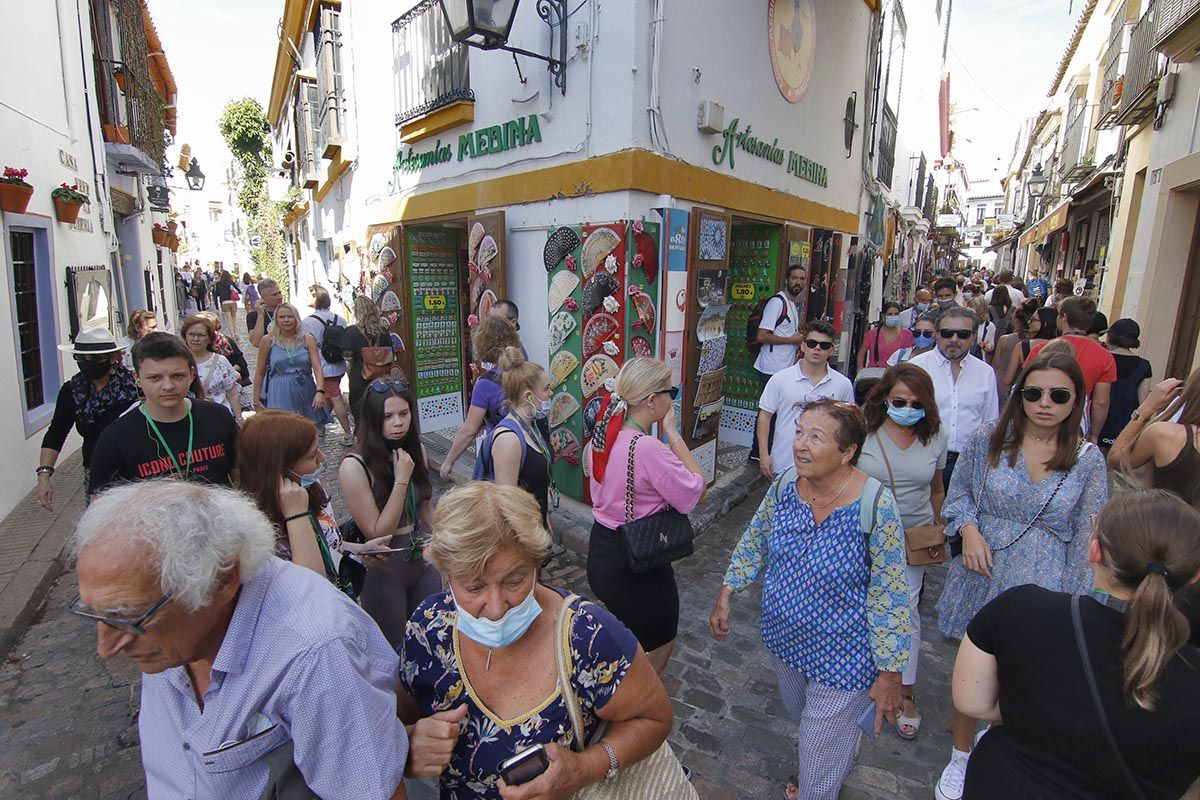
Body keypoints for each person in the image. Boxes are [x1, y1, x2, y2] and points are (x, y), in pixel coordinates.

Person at [68, 481, 411, 799]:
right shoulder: (163, 626)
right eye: (96, 614)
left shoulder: (314, 652)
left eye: (129, 615)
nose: (106, 647)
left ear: (221, 581)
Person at [397, 482, 677, 800]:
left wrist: (585, 768)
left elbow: (655, 717)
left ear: (535, 563)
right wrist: (407, 744)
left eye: (513, 581)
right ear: (446, 574)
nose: (495, 607)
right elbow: (398, 716)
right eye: (473, 588)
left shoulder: (589, 638)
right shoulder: (428, 631)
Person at [710, 399, 912, 800]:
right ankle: (830, 755)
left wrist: (890, 673)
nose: (800, 444)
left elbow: (891, 592)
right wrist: (727, 591)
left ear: (847, 451)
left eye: (815, 437)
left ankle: (819, 781)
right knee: (806, 721)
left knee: (818, 749)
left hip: (846, 656)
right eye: (799, 431)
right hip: (786, 643)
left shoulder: (876, 505)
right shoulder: (786, 485)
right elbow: (755, 539)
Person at [933, 352, 1109, 800]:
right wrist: (968, 530)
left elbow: (1090, 536)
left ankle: (995, 745)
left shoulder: (1087, 461)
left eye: (1058, 395)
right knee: (972, 669)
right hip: (983, 569)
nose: (1044, 403)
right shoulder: (987, 439)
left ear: (1076, 401)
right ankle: (959, 754)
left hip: (1045, 577)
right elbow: (958, 498)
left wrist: (1077, 604)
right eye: (1033, 392)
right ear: (1020, 395)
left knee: (1021, 674)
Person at [951, 489, 1200, 799]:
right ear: (1193, 576)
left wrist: (1036, 706)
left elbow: (972, 702)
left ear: (1094, 551)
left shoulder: (1021, 608)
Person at [587, 357, 706, 675]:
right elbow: (695, 491)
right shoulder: (648, 448)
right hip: (636, 561)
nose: (673, 399)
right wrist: (673, 434)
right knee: (659, 642)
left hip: (602, 549)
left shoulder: (603, 437)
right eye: (672, 392)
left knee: (628, 640)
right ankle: (638, 707)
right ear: (652, 400)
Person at [857, 364, 947, 741]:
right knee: (859, 603)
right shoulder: (863, 431)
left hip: (912, 539)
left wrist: (938, 527)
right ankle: (861, 675)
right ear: (883, 399)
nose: (908, 408)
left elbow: (937, 487)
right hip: (862, 532)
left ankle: (904, 687)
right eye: (899, 401)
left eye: (916, 403)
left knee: (904, 612)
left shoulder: (936, 436)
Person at [340, 380, 442, 647]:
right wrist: (401, 480)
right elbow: (378, 532)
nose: (398, 423)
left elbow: (425, 506)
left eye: (404, 414)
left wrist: (447, 544)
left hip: (422, 557)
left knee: (432, 641)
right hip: (385, 568)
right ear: (374, 419)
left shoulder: (416, 450)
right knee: (394, 650)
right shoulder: (355, 466)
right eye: (388, 416)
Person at [88, 333, 239, 494]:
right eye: (155, 378)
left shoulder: (219, 417)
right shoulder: (115, 438)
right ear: (137, 378)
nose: (168, 386)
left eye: (177, 376)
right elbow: (100, 506)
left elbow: (241, 480)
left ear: (192, 374)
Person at [36, 328, 139, 509]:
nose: (88, 363)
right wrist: (44, 475)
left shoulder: (134, 388)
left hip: (135, 467)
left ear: (113, 357)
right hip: (97, 470)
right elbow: (56, 433)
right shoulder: (72, 391)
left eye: (96, 358)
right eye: (82, 358)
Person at [910, 306, 999, 489]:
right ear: (936, 334)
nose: (954, 340)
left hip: (966, 465)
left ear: (973, 337)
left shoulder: (985, 373)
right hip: (922, 461)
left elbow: (990, 423)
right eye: (947, 333)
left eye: (963, 334)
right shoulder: (916, 368)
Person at [757, 319, 855, 478]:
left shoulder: (842, 385)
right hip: (783, 465)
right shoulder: (780, 379)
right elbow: (765, 416)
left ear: (831, 350)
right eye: (811, 343)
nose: (817, 348)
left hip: (824, 470)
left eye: (824, 345)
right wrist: (763, 455)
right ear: (802, 345)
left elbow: (849, 425)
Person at [1025, 296, 1116, 443]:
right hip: (1077, 421)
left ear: (1063, 317)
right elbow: (1101, 401)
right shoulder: (1105, 356)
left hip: (1040, 415)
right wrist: (1094, 434)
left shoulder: (1041, 350)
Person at [440, 315, 521, 479]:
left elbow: (469, 431)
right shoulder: (527, 371)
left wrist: (448, 461)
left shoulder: (485, 383)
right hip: (530, 449)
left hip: (502, 454)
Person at [487, 347, 555, 524]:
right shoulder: (508, 439)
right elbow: (506, 505)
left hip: (536, 528)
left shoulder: (532, 426)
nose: (550, 394)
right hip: (524, 537)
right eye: (547, 389)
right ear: (529, 397)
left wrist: (545, 521)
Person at [750, 264, 807, 462]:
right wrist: (790, 340)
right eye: (794, 278)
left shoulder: (791, 304)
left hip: (783, 367)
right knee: (768, 411)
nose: (797, 282)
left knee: (777, 412)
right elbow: (762, 335)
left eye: (801, 279)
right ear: (786, 279)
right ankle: (757, 453)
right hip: (771, 367)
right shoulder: (777, 303)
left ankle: (766, 451)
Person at [251, 303, 327, 423]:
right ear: (276, 320)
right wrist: (256, 401)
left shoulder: (308, 339)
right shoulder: (268, 341)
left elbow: (317, 368)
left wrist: (320, 391)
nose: (286, 320)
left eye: (290, 317)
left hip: (305, 387)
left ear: (296, 319)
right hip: (279, 389)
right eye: (282, 317)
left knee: (307, 427)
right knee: (283, 427)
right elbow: (259, 372)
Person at [303, 287, 355, 445]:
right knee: (328, 396)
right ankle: (320, 427)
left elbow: (306, 344)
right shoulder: (340, 319)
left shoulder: (308, 322)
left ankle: (347, 434)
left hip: (323, 368)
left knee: (335, 397)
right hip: (338, 365)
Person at [1097, 318, 1152, 450]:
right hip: (1124, 426)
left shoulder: (1102, 358)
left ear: (1111, 337)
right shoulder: (1144, 366)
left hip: (1098, 421)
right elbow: (1142, 404)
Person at [342, 294, 394, 422]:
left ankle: (364, 440)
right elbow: (391, 352)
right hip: (382, 377)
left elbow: (347, 356)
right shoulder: (384, 331)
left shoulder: (351, 331)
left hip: (360, 377)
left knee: (361, 414)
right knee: (380, 412)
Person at [181, 314, 243, 420]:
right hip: (187, 418)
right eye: (191, 334)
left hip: (217, 417)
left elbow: (232, 393)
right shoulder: (178, 361)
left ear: (209, 339)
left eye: (201, 335)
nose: (196, 339)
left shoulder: (220, 361)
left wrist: (239, 418)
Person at [991, 302, 1033, 399]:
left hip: (1002, 383)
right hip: (1021, 384)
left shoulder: (1004, 339)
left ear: (1015, 320)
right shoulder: (1033, 343)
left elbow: (996, 363)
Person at [858, 300, 914, 370]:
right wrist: (860, 368)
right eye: (890, 314)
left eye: (896, 314)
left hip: (896, 373)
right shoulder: (873, 334)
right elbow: (861, 353)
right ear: (883, 315)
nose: (893, 316)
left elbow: (908, 355)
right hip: (875, 373)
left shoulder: (907, 334)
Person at [247, 277, 284, 348]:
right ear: (263, 297)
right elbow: (256, 342)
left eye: (279, 293)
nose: (279, 297)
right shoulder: (253, 316)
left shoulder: (287, 311)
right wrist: (261, 316)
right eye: (274, 294)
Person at [213, 269, 240, 336]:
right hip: (233, 302)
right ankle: (236, 333)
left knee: (229, 319)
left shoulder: (218, 284)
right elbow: (238, 291)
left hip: (224, 302)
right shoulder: (231, 282)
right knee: (234, 318)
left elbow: (217, 294)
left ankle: (232, 334)